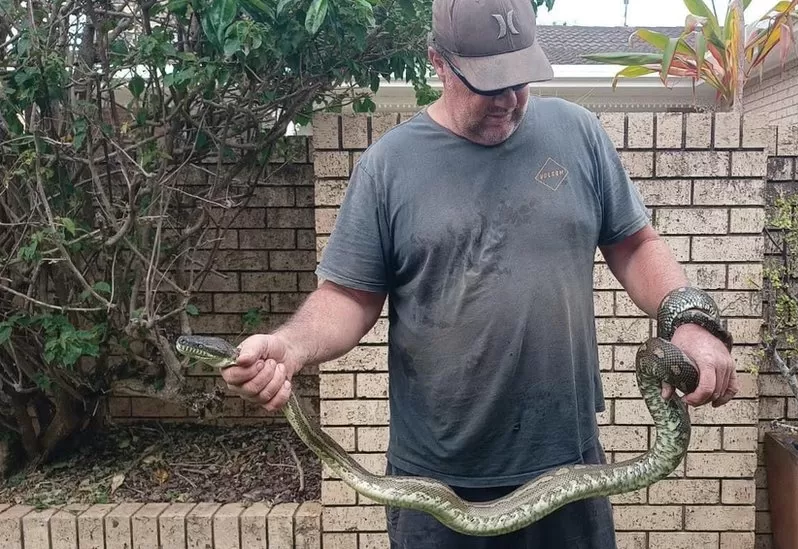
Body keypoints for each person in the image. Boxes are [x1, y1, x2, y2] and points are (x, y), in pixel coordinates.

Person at [218, 0, 738, 546]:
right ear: (438, 63)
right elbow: (348, 296)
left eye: (521, 80)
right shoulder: (387, 168)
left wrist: (690, 320)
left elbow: (635, 245)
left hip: (569, 467)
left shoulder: (578, 135)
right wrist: (290, 346)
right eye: (490, 84)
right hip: (437, 485)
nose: (510, 101)